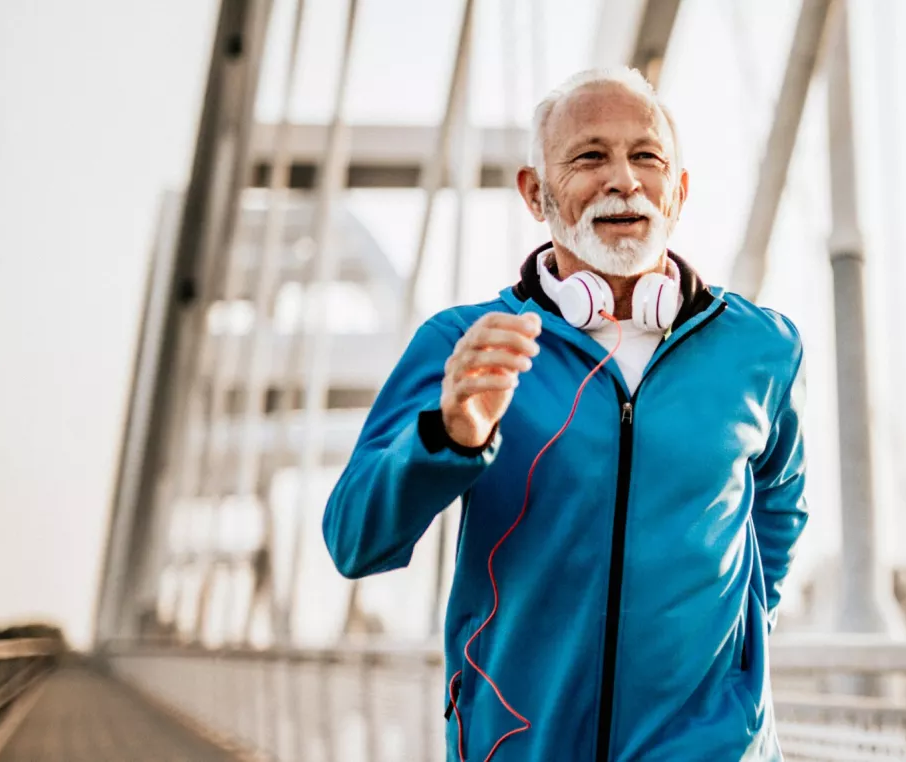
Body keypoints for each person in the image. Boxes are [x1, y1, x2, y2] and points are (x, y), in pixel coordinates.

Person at [323, 67, 808, 762]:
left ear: (679, 190)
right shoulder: (464, 345)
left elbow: (778, 507)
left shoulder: (761, 348)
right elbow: (354, 539)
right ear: (534, 192)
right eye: (589, 157)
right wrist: (451, 436)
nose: (624, 180)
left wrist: (739, 659)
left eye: (646, 156)